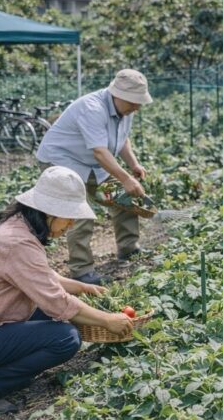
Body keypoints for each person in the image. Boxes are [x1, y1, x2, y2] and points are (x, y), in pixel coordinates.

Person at [0, 167, 134, 414]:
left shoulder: (19, 227)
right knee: (65, 338)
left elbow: (40, 275)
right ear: (48, 211)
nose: (70, 224)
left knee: (58, 318)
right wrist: (107, 320)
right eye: (67, 216)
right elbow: (57, 302)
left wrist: (81, 287)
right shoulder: (17, 242)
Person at [36, 69, 152, 285]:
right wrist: (126, 179)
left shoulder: (126, 110)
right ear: (118, 95)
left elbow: (122, 139)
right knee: (79, 213)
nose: (137, 107)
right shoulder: (92, 108)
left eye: (139, 102)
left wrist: (133, 164)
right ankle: (82, 271)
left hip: (91, 163)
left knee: (122, 199)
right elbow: (100, 151)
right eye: (134, 102)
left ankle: (129, 248)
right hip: (62, 160)